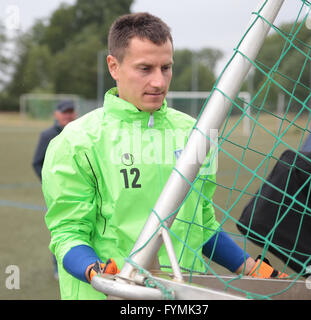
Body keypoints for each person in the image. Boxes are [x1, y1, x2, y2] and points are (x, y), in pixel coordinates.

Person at [42, 12, 287, 300]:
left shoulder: (195, 133)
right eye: (145, 68)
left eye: (166, 67)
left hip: (185, 297)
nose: (159, 81)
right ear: (114, 66)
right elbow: (67, 233)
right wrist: (94, 271)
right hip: (112, 295)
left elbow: (202, 225)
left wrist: (250, 267)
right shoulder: (76, 141)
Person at [32, 100, 77, 279]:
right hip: (58, 192)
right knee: (62, 228)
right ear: (56, 114)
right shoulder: (48, 135)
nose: (67, 115)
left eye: (70, 112)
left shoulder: (80, 131)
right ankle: (59, 266)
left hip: (81, 188)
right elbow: (37, 163)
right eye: (64, 112)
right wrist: (49, 184)